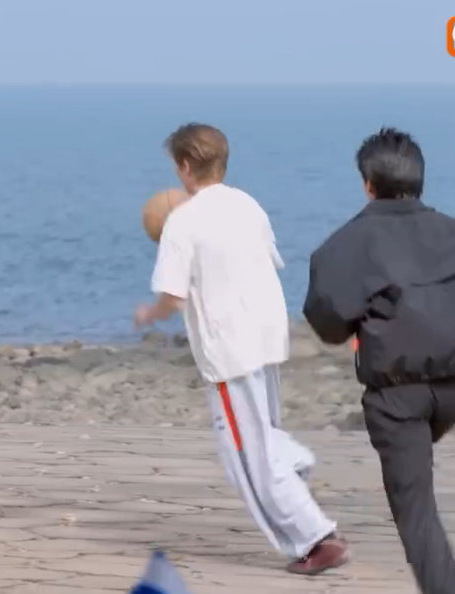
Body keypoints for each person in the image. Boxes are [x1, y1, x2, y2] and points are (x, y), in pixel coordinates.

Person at [303, 127, 455, 593]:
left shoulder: (347, 244)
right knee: (415, 468)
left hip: (396, 398)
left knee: (416, 510)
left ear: (368, 184)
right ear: (420, 179)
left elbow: (329, 327)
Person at [133, 122, 349, 575]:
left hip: (230, 351)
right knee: (262, 436)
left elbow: (172, 296)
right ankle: (293, 468)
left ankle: (316, 535)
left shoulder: (182, 222)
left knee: (248, 457)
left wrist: (148, 315)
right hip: (267, 336)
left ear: (184, 166)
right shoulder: (248, 205)